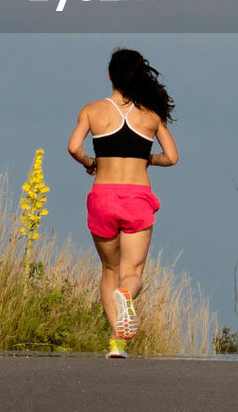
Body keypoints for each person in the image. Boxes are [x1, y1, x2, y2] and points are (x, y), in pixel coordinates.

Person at [67, 48, 179, 359]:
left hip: (103, 196)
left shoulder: (91, 110)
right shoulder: (151, 115)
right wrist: (146, 158)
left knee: (108, 269)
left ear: (109, 75)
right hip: (136, 196)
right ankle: (125, 297)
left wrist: (91, 161)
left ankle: (116, 343)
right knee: (132, 271)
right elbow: (171, 157)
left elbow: (73, 146)